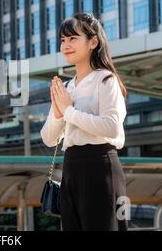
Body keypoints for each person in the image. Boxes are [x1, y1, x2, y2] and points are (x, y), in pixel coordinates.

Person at [40, 13, 128, 231]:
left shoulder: (106, 79)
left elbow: (111, 126)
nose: (66, 45)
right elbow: (48, 138)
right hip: (71, 167)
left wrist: (68, 110)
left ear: (93, 42)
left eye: (72, 39)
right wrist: (60, 113)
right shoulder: (67, 87)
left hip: (100, 166)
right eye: (63, 40)